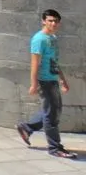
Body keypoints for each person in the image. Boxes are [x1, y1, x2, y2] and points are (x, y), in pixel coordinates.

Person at [16, 9, 77, 159]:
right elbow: (34, 63)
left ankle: (26, 127)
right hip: (44, 81)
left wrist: (62, 79)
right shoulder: (39, 39)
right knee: (51, 115)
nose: (53, 23)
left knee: (52, 111)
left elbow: (54, 62)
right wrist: (33, 84)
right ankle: (55, 148)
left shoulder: (53, 38)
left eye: (56, 21)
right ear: (43, 21)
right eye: (50, 20)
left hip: (53, 79)